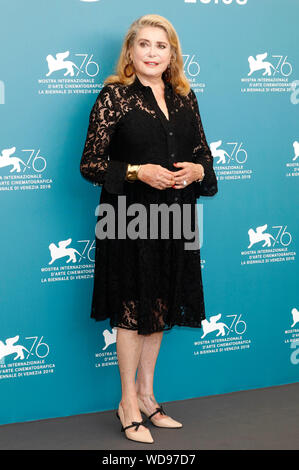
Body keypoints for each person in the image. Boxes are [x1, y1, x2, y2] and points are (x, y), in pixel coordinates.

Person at [80, 14, 218, 444]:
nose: (153, 53)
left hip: (175, 218)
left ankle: (146, 395)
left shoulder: (184, 97)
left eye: (161, 46)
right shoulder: (115, 96)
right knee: (131, 310)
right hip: (127, 218)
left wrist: (197, 169)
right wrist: (140, 172)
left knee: (159, 306)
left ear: (172, 54)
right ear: (131, 51)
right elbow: (90, 165)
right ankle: (126, 403)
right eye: (144, 45)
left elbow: (205, 161)